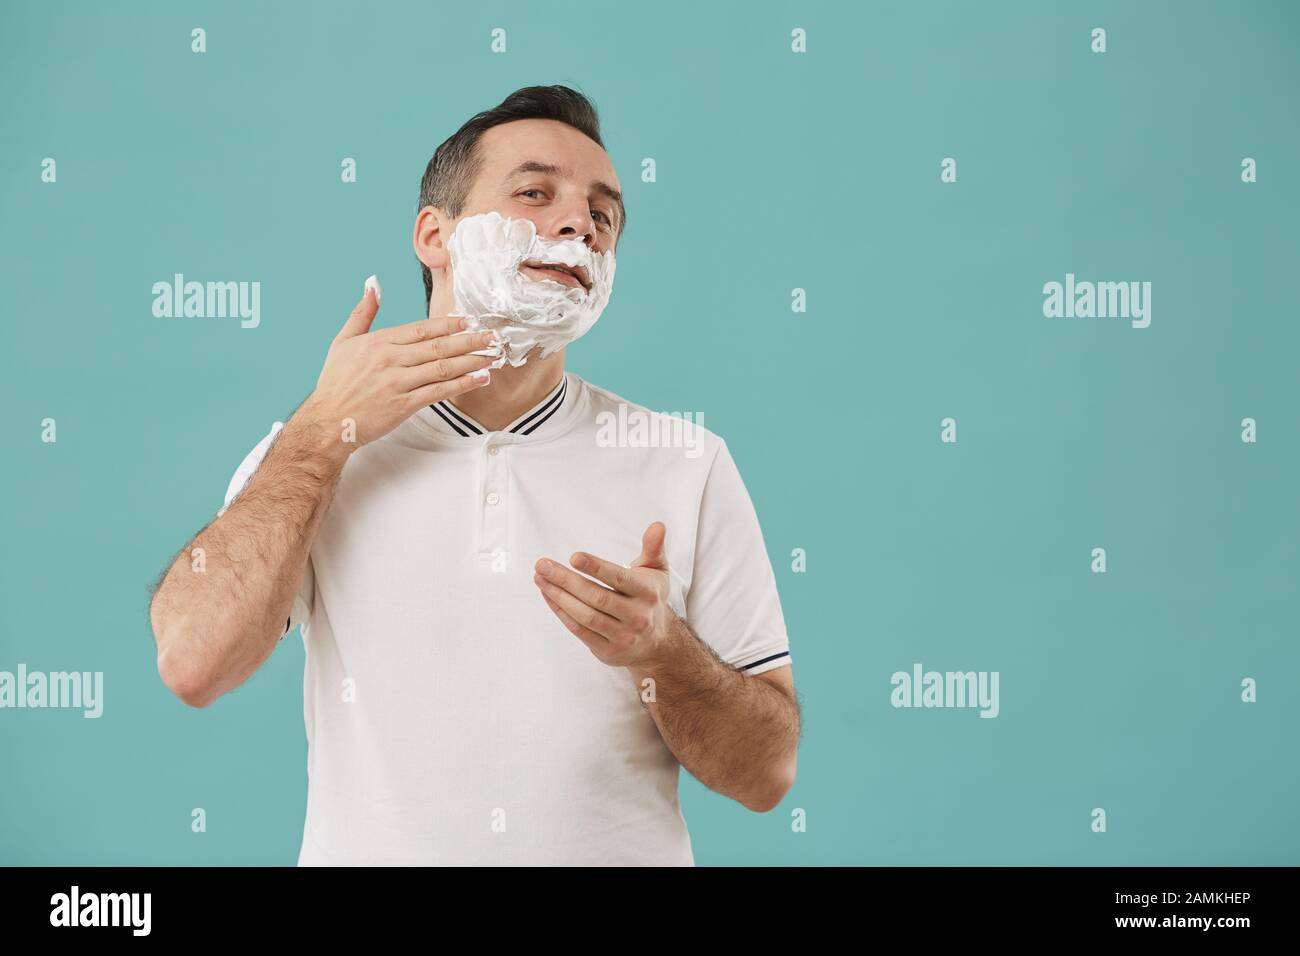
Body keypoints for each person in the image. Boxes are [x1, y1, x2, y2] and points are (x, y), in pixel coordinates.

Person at [149, 85, 800, 865]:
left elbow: (766, 776)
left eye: (604, 214)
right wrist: (322, 432)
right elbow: (192, 660)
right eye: (535, 193)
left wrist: (663, 651)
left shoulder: (687, 461)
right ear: (435, 235)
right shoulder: (318, 449)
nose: (578, 225)